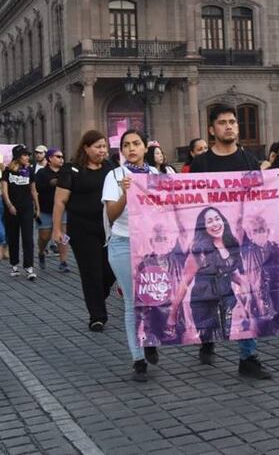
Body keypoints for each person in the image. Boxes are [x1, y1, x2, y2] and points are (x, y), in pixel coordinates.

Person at [179, 104, 273, 380]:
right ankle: (207, 340)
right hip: (208, 243)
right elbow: (188, 203)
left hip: (238, 244)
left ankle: (248, 357)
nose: (230, 126)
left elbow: (260, 201)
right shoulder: (202, 164)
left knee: (242, 298)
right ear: (212, 129)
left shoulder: (248, 161)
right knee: (208, 296)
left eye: (233, 122)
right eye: (223, 123)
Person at [167, 207, 260, 369]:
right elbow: (184, 282)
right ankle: (207, 344)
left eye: (217, 218)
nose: (215, 223)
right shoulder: (199, 250)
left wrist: (244, 285)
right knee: (209, 333)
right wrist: (173, 314)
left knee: (241, 324)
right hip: (204, 302)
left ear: (223, 220)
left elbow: (228, 271)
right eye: (209, 221)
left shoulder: (231, 244)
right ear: (203, 226)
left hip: (227, 297)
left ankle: (248, 358)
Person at [102, 129, 162, 381]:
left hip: (151, 244)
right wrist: (126, 194)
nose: (131, 149)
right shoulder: (114, 176)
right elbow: (111, 215)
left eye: (136, 143)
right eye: (126, 145)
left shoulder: (156, 174)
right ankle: (138, 359)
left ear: (145, 147)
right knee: (132, 301)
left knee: (154, 296)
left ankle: (149, 338)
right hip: (123, 243)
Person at [53, 130, 115, 331]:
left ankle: (98, 296)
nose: (102, 150)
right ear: (86, 148)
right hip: (81, 229)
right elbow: (60, 201)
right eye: (97, 147)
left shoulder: (110, 168)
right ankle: (97, 316)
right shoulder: (72, 170)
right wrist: (56, 229)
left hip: (107, 227)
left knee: (109, 270)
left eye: (104, 146)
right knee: (91, 273)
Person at [1, 145, 39, 281]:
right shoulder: (7, 171)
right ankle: (14, 264)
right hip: (12, 209)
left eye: (28, 154)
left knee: (28, 237)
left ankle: (29, 267)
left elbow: (33, 190)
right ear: (17, 156)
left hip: (27, 207)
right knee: (13, 237)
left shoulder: (29, 170)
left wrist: (37, 207)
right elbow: (4, 191)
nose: (27, 157)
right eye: (24, 155)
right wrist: (9, 205)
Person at [35, 147, 69, 272]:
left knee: (63, 235)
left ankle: (63, 261)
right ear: (49, 159)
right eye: (58, 157)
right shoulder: (42, 173)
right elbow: (36, 189)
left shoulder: (65, 172)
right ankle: (41, 252)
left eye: (62, 157)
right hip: (46, 210)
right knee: (44, 236)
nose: (61, 159)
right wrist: (50, 183)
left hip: (63, 209)